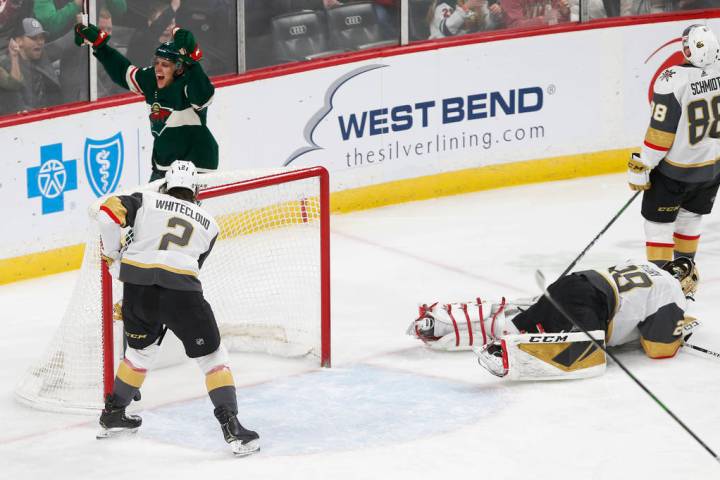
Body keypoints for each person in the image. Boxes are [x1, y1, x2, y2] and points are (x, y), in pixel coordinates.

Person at [95, 160, 260, 456]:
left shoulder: (145, 199)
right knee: (212, 358)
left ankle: (113, 415)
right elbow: (192, 266)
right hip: (181, 294)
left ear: (166, 185)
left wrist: (113, 257)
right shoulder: (209, 224)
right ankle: (233, 429)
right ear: (195, 190)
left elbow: (107, 215)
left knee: (139, 353)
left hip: (138, 292)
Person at [407, 258, 699, 380]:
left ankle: (440, 324)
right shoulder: (673, 292)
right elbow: (657, 349)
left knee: (517, 320)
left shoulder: (643, 264)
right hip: (592, 307)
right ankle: (503, 352)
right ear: (686, 284)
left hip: (572, 284)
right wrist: (679, 333)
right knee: (592, 359)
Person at [74, 20, 218, 181]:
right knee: (149, 205)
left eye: (165, 64)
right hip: (163, 165)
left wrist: (192, 63)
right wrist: (100, 46)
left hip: (196, 165)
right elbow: (123, 72)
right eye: (156, 62)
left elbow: (204, 96)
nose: (158, 68)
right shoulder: (151, 78)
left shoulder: (188, 82)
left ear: (179, 68)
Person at [628, 24, 720, 266]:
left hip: (675, 172)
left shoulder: (672, 79)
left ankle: (661, 283)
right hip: (711, 170)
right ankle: (684, 274)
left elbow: (661, 133)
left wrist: (644, 163)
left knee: (657, 226)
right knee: (690, 219)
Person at [0, 18, 63, 112]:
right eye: (34, 38)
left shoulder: (42, 56)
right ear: (18, 41)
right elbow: (16, 108)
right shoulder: (7, 66)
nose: (40, 42)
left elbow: (64, 45)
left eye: (42, 38)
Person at [488, 0, 570, 30]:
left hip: (549, 38)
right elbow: (515, 28)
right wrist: (544, 20)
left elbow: (560, 20)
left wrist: (564, 12)